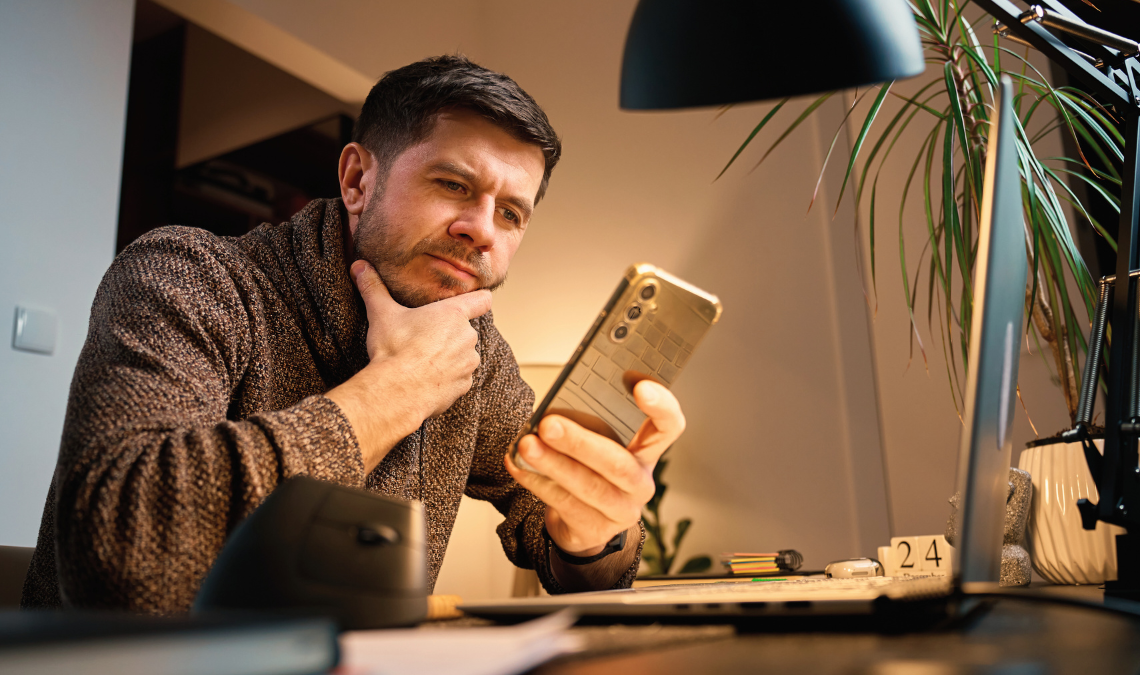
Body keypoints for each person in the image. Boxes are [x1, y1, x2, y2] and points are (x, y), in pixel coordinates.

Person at [21, 55, 685, 612]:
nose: (483, 229)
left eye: (511, 213)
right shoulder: (188, 276)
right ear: (357, 179)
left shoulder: (476, 351)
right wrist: (391, 394)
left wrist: (596, 529)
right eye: (454, 184)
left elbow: (562, 543)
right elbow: (115, 557)